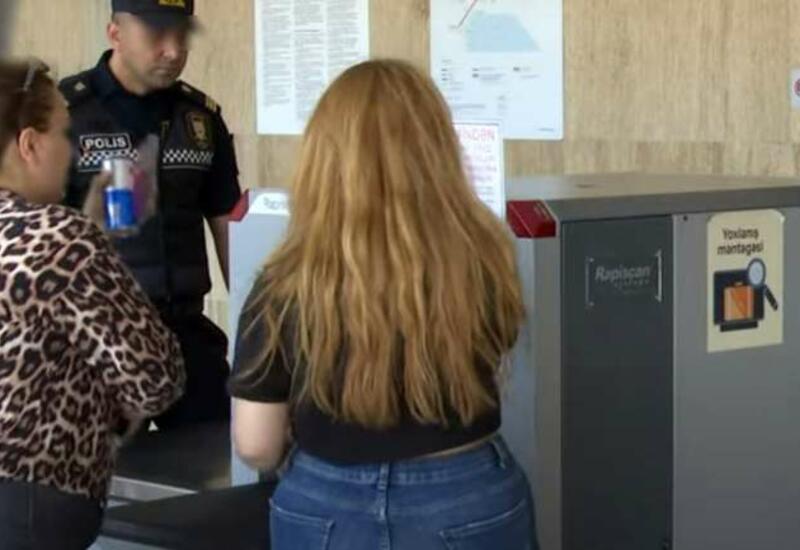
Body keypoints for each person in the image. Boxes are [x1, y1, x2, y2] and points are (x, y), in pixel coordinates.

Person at [228, 60, 539, 550]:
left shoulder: (283, 283)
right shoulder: (485, 258)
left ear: (323, 160)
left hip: (324, 504)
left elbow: (256, 444)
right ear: (437, 151)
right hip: (469, 496)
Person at [0, 59, 185, 549]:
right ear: (29, 144)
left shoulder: (59, 237)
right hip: (29, 500)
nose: (74, 148)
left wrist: (92, 232)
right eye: (65, 133)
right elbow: (155, 377)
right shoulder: (61, 238)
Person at [59, 0, 241, 429]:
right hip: (98, 342)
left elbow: (227, 225)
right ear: (115, 33)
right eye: (157, 35)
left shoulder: (200, 118)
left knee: (218, 453)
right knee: (105, 465)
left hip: (186, 334)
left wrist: (256, 324)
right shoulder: (67, 115)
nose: (174, 51)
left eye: (181, 36)